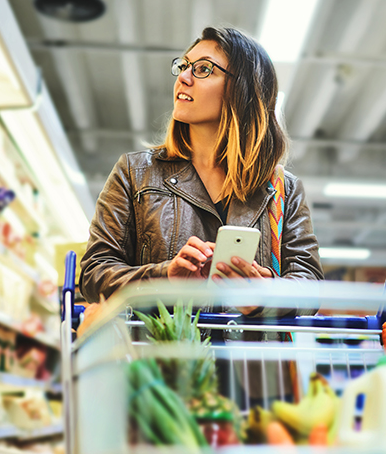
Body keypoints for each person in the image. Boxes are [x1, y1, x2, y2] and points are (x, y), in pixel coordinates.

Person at [78, 26, 324, 316]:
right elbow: (94, 274)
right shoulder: (135, 173)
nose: (183, 77)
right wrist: (164, 277)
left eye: (204, 69)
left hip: (249, 347)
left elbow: (310, 288)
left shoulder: (283, 189)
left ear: (243, 89)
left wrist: (264, 293)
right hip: (163, 347)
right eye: (183, 66)